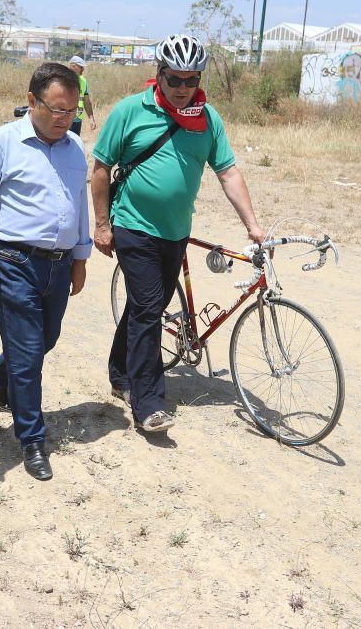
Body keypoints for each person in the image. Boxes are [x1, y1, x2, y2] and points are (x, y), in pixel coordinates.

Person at [90, 34, 265, 434]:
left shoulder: (208, 119)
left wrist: (252, 225)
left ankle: (120, 371)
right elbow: (100, 169)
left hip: (176, 231)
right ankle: (148, 402)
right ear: (159, 75)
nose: (183, 89)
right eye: (175, 80)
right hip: (133, 225)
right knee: (150, 310)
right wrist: (102, 225)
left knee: (144, 306)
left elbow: (228, 173)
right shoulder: (130, 111)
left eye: (191, 80)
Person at [0, 62, 90, 481]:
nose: (63, 119)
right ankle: (32, 439)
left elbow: (78, 206)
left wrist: (81, 258)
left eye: (70, 111)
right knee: (30, 354)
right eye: (55, 109)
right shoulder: (1, 143)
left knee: (44, 340)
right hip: (14, 261)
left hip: (60, 264)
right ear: (31, 101)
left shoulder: (74, 147)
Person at [67, 56, 96, 136]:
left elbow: (86, 102)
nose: (83, 69)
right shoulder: (63, 79)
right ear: (72, 66)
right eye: (80, 67)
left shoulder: (83, 81)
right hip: (65, 119)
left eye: (82, 67)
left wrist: (91, 118)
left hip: (77, 119)